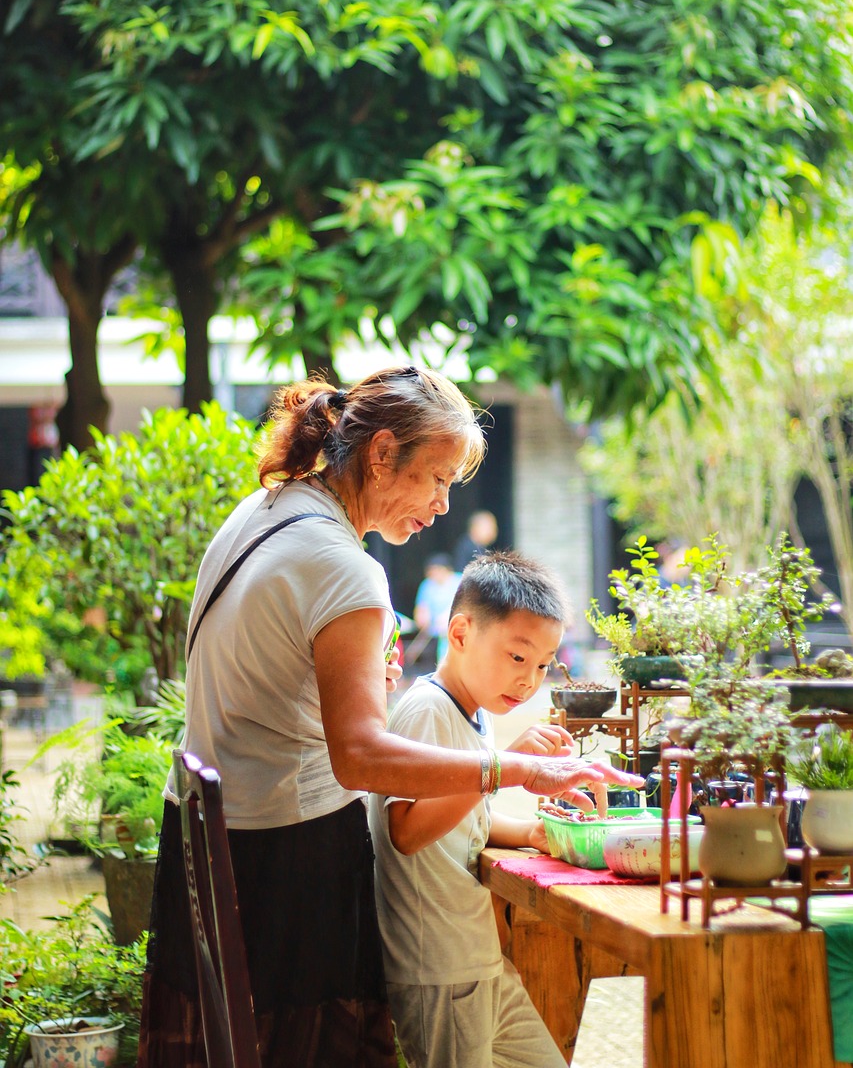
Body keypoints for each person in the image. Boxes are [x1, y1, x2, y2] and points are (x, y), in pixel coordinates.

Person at [137, 366, 641, 1068]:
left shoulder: (268, 508)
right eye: (435, 479)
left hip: (220, 841)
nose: (440, 506)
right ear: (379, 454)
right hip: (286, 855)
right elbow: (360, 757)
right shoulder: (343, 567)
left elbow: (272, 679)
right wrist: (523, 767)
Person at [369, 550, 643, 1068]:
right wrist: (508, 763)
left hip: (478, 960)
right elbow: (405, 831)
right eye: (517, 658)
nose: (529, 679)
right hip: (438, 966)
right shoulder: (427, 709)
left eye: (542, 665)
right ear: (461, 633)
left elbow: (463, 822)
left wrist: (532, 834)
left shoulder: (474, 712)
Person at [413, 553, 462, 663]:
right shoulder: (427, 585)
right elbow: (421, 609)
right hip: (434, 634)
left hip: (457, 628)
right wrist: (423, 617)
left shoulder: (460, 581)